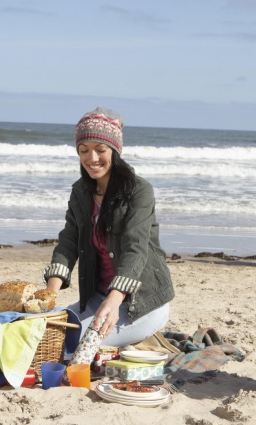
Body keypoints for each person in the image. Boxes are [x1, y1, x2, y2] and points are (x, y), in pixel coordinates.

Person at [43, 107, 175, 348]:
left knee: (68, 346)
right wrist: (49, 297)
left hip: (141, 304)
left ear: (114, 150)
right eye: (84, 151)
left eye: (100, 150)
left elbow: (135, 248)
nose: (92, 159)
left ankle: (140, 337)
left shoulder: (139, 191)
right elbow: (69, 241)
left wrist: (114, 302)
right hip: (98, 299)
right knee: (41, 332)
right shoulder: (80, 192)